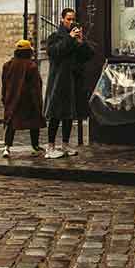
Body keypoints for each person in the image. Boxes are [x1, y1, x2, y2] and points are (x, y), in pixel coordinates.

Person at [44, 8, 93, 159]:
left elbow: (88, 56)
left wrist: (81, 42)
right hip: (59, 82)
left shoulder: (75, 37)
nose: (71, 22)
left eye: (73, 20)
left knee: (69, 115)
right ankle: (50, 146)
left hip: (73, 81)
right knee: (55, 114)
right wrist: (70, 39)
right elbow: (54, 52)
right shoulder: (55, 37)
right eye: (68, 19)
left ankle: (65, 144)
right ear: (62, 20)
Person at [1, 38, 44, 157]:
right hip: (28, 101)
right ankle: (35, 145)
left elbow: (4, 83)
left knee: (11, 124)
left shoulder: (7, 65)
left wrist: (4, 97)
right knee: (34, 123)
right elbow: (36, 86)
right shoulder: (31, 66)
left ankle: (7, 147)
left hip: (13, 99)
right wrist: (39, 102)